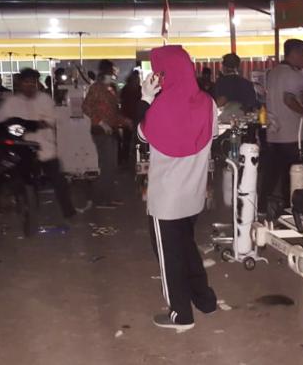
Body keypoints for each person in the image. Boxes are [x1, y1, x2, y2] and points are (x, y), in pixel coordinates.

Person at [137, 45, 217, 332]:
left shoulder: (158, 108)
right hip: (194, 194)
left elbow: (138, 134)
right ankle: (205, 300)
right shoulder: (208, 103)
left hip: (166, 200)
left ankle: (180, 315)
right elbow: (212, 132)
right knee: (187, 247)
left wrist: (146, 97)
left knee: (169, 257)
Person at [0, 68, 80, 219]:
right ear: (20, 83)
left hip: (44, 148)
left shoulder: (45, 99)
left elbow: (53, 118)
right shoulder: (12, 102)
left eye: (33, 82)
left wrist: (44, 123)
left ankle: (69, 212)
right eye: (26, 82)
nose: (30, 86)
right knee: (4, 172)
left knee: (58, 180)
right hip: (21, 149)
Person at [263, 39, 303, 212]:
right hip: (292, 134)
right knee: (293, 174)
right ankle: (291, 209)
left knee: (272, 174)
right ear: (294, 54)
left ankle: (262, 207)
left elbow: (297, 96)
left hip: (274, 133)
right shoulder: (292, 74)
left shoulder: (273, 73)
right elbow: (289, 99)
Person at [82, 59, 130, 208]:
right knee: (108, 166)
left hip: (112, 131)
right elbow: (86, 107)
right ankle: (100, 199)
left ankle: (106, 197)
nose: (115, 73)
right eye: (112, 71)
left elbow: (114, 112)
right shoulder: (96, 88)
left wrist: (124, 121)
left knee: (111, 166)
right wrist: (100, 122)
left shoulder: (111, 89)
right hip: (101, 132)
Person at [119, 69, 142, 165]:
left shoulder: (125, 89)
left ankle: (124, 159)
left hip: (127, 118)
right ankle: (137, 158)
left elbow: (123, 104)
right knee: (138, 140)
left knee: (126, 140)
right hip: (136, 118)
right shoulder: (139, 89)